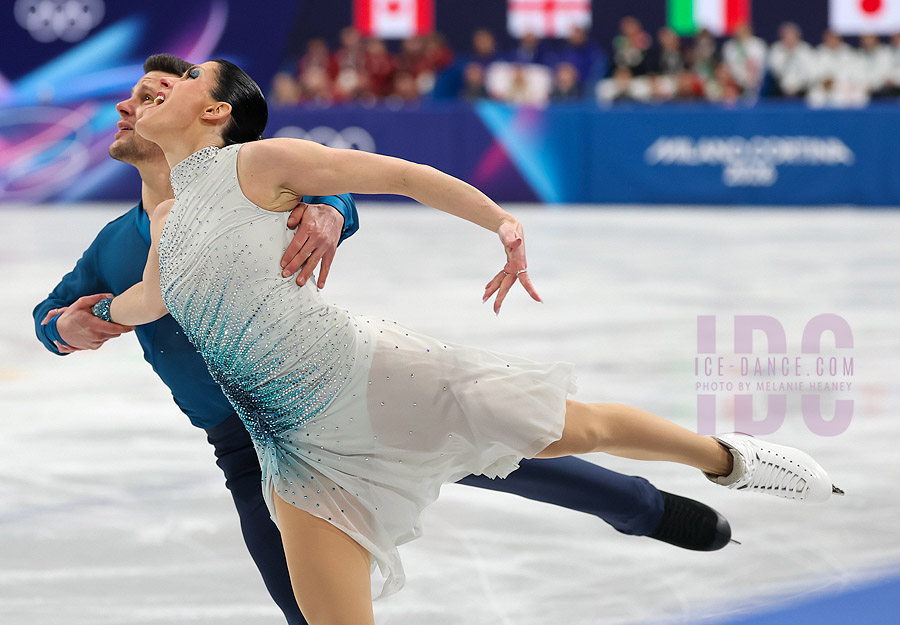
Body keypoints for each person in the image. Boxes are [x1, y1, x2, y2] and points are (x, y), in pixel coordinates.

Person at [95, 57, 840, 624]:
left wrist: (502, 227)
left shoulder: (257, 163)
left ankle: (731, 458)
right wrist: (85, 318)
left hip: (374, 377)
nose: (154, 86)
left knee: (580, 427)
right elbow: (147, 299)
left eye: (185, 76)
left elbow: (406, 175)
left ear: (217, 109)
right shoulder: (166, 222)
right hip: (295, 448)